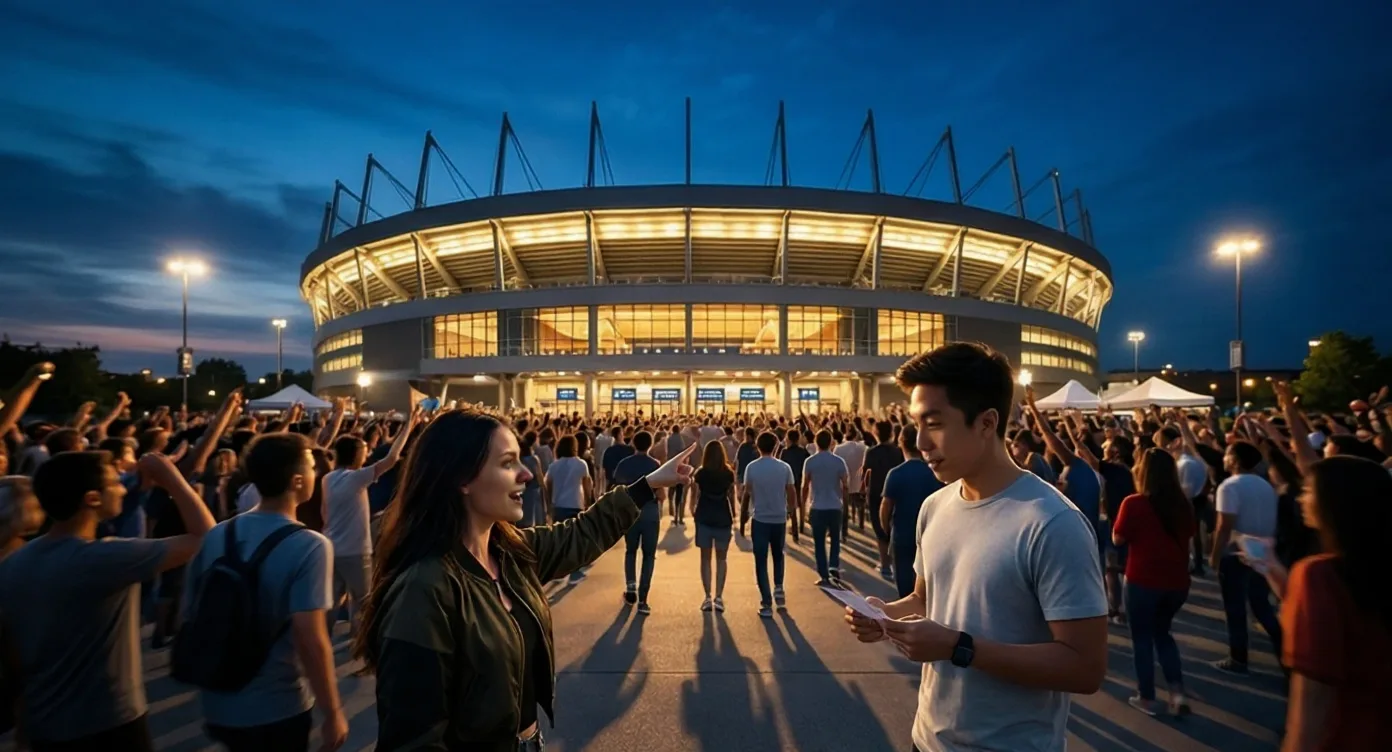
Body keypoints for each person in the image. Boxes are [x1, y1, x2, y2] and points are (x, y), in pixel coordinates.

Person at [356, 410, 694, 750]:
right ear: (463, 478)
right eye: (507, 463)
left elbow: (580, 534)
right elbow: (414, 739)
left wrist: (649, 484)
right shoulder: (424, 589)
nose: (527, 474)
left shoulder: (509, 553)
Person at [844, 343, 1107, 752]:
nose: (920, 442)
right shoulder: (935, 506)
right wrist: (885, 615)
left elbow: (1085, 668)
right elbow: (925, 598)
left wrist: (958, 647)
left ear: (987, 423)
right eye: (916, 424)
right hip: (926, 738)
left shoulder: (1052, 522)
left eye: (934, 423)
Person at [0, 451, 216, 751]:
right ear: (92, 498)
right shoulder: (103, 559)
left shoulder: (15, 562)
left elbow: (14, 655)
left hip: (43, 722)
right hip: (107, 722)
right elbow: (207, 539)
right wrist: (172, 478)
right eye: (115, 483)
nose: (124, 489)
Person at [182, 433, 347, 752]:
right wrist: (333, 712)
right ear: (298, 480)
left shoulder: (220, 533)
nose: (317, 473)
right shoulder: (310, 545)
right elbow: (310, 639)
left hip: (219, 701)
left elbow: (189, 611)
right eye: (313, 467)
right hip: (277, 706)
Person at [1266, 456, 1392, 750]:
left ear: (1335, 503)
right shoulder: (1368, 572)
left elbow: (1313, 699)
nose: (1301, 497)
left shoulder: (1319, 575)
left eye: (1309, 490)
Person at [1112, 448, 1195, 717]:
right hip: (1176, 581)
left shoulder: (1134, 503)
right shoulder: (1183, 503)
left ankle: (1147, 697)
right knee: (1163, 635)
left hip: (1143, 580)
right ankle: (1177, 692)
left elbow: (1118, 538)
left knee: (1142, 639)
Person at [321, 412, 416, 635]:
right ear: (356, 455)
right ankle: (362, 648)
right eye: (364, 452)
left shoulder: (329, 478)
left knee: (333, 602)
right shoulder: (355, 478)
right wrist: (408, 426)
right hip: (355, 551)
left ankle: (322, 642)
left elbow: (325, 512)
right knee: (365, 603)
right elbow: (391, 459)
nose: (367, 455)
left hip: (332, 547)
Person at [1209, 440, 1282, 674]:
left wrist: (1215, 555)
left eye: (1228, 454)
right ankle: (1285, 649)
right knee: (1261, 605)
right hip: (1262, 551)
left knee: (1236, 607)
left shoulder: (1229, 486)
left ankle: (1238, 657)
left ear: (1235, 460)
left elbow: (1224, 525)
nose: (1224, 458)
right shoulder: (1265, 485)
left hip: (1236, 553)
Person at [880, 425, 942, 599]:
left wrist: (887, 530)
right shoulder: (934, 473)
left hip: (902, 536)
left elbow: (886, 507)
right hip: (931, 536)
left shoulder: (896, 474)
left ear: (901, 443)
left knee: (905, 588)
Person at [742, 431, 796, 617]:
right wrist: (791, 512)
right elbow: (791, 492)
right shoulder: (784, 468)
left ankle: (766, 602)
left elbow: (747, 492)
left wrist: (743, 519)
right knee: (778, 554)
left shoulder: (751, 467)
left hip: (760, 517)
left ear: (757, 446)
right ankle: (779, 586)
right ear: (776, 446)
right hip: (779, 517)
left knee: (760, 559)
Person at [615, 431, 661, 614]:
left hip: (630, 511)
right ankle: (643, 599)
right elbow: (661, 493)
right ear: (650, 445)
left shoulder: (624, 464)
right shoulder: (655, 465)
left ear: (633, 443)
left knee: (630, 550)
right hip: (650, 512)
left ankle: (631, 587)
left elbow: (617, 487)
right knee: (649, 555)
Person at [690, 439, 736, 612]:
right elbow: (731, 495)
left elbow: (695, 494)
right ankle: (719, 596)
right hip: (723, 516)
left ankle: (707, 596)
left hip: (704, 515)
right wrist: (735, 515)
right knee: (722, 558)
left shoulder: (701, 473)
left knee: (705, 558)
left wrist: (693, 509)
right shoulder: (728, 473)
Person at [802, 429, 848, 586]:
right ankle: (834, 565)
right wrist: (845, 503)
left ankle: (823, 574)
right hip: (835, 505)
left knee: (819, 542)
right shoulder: (839, 461)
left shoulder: (810, 462)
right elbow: (845, 485)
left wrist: (803, 506)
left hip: (817, 506)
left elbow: (805, 485)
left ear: (816, 442)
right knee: (835, 539)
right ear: (831, 443)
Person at [863, 420, 903, 580]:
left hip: (876, 493)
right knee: (893, 525)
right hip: (896, 492)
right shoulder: (898, 452)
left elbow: (866, 473)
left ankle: (885, 564)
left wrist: (864, 489)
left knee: (880, 528)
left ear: (876, 433)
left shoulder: (871, 452)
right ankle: (894, 562)